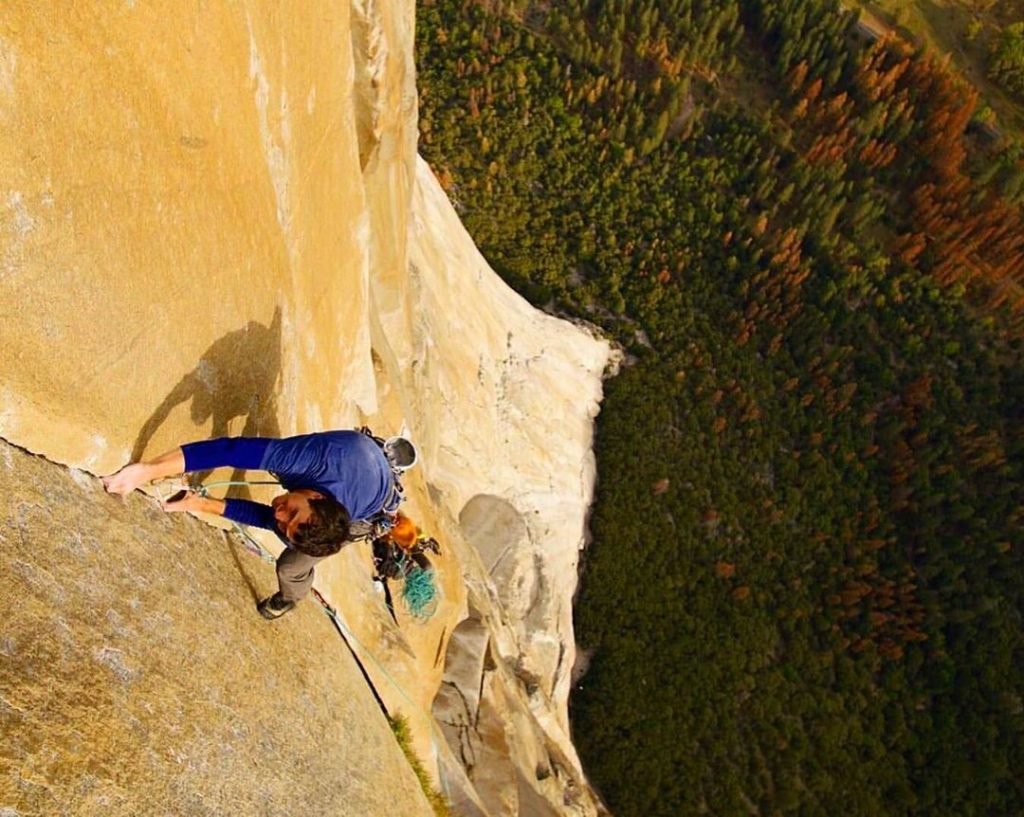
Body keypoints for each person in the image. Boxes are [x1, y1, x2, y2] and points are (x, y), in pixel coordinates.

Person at [102, 429, 417, 620]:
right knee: (282, 468)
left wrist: (199, 504)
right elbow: (230, 450)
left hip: (371, 506)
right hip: (352, 457)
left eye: (286, 525)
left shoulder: (329, 518)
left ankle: (291, 597)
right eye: (292, 513)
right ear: (318, 498)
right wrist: (146, 471)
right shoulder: (313, 460)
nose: (279, 514)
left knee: (291, 566)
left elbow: (270, 520)